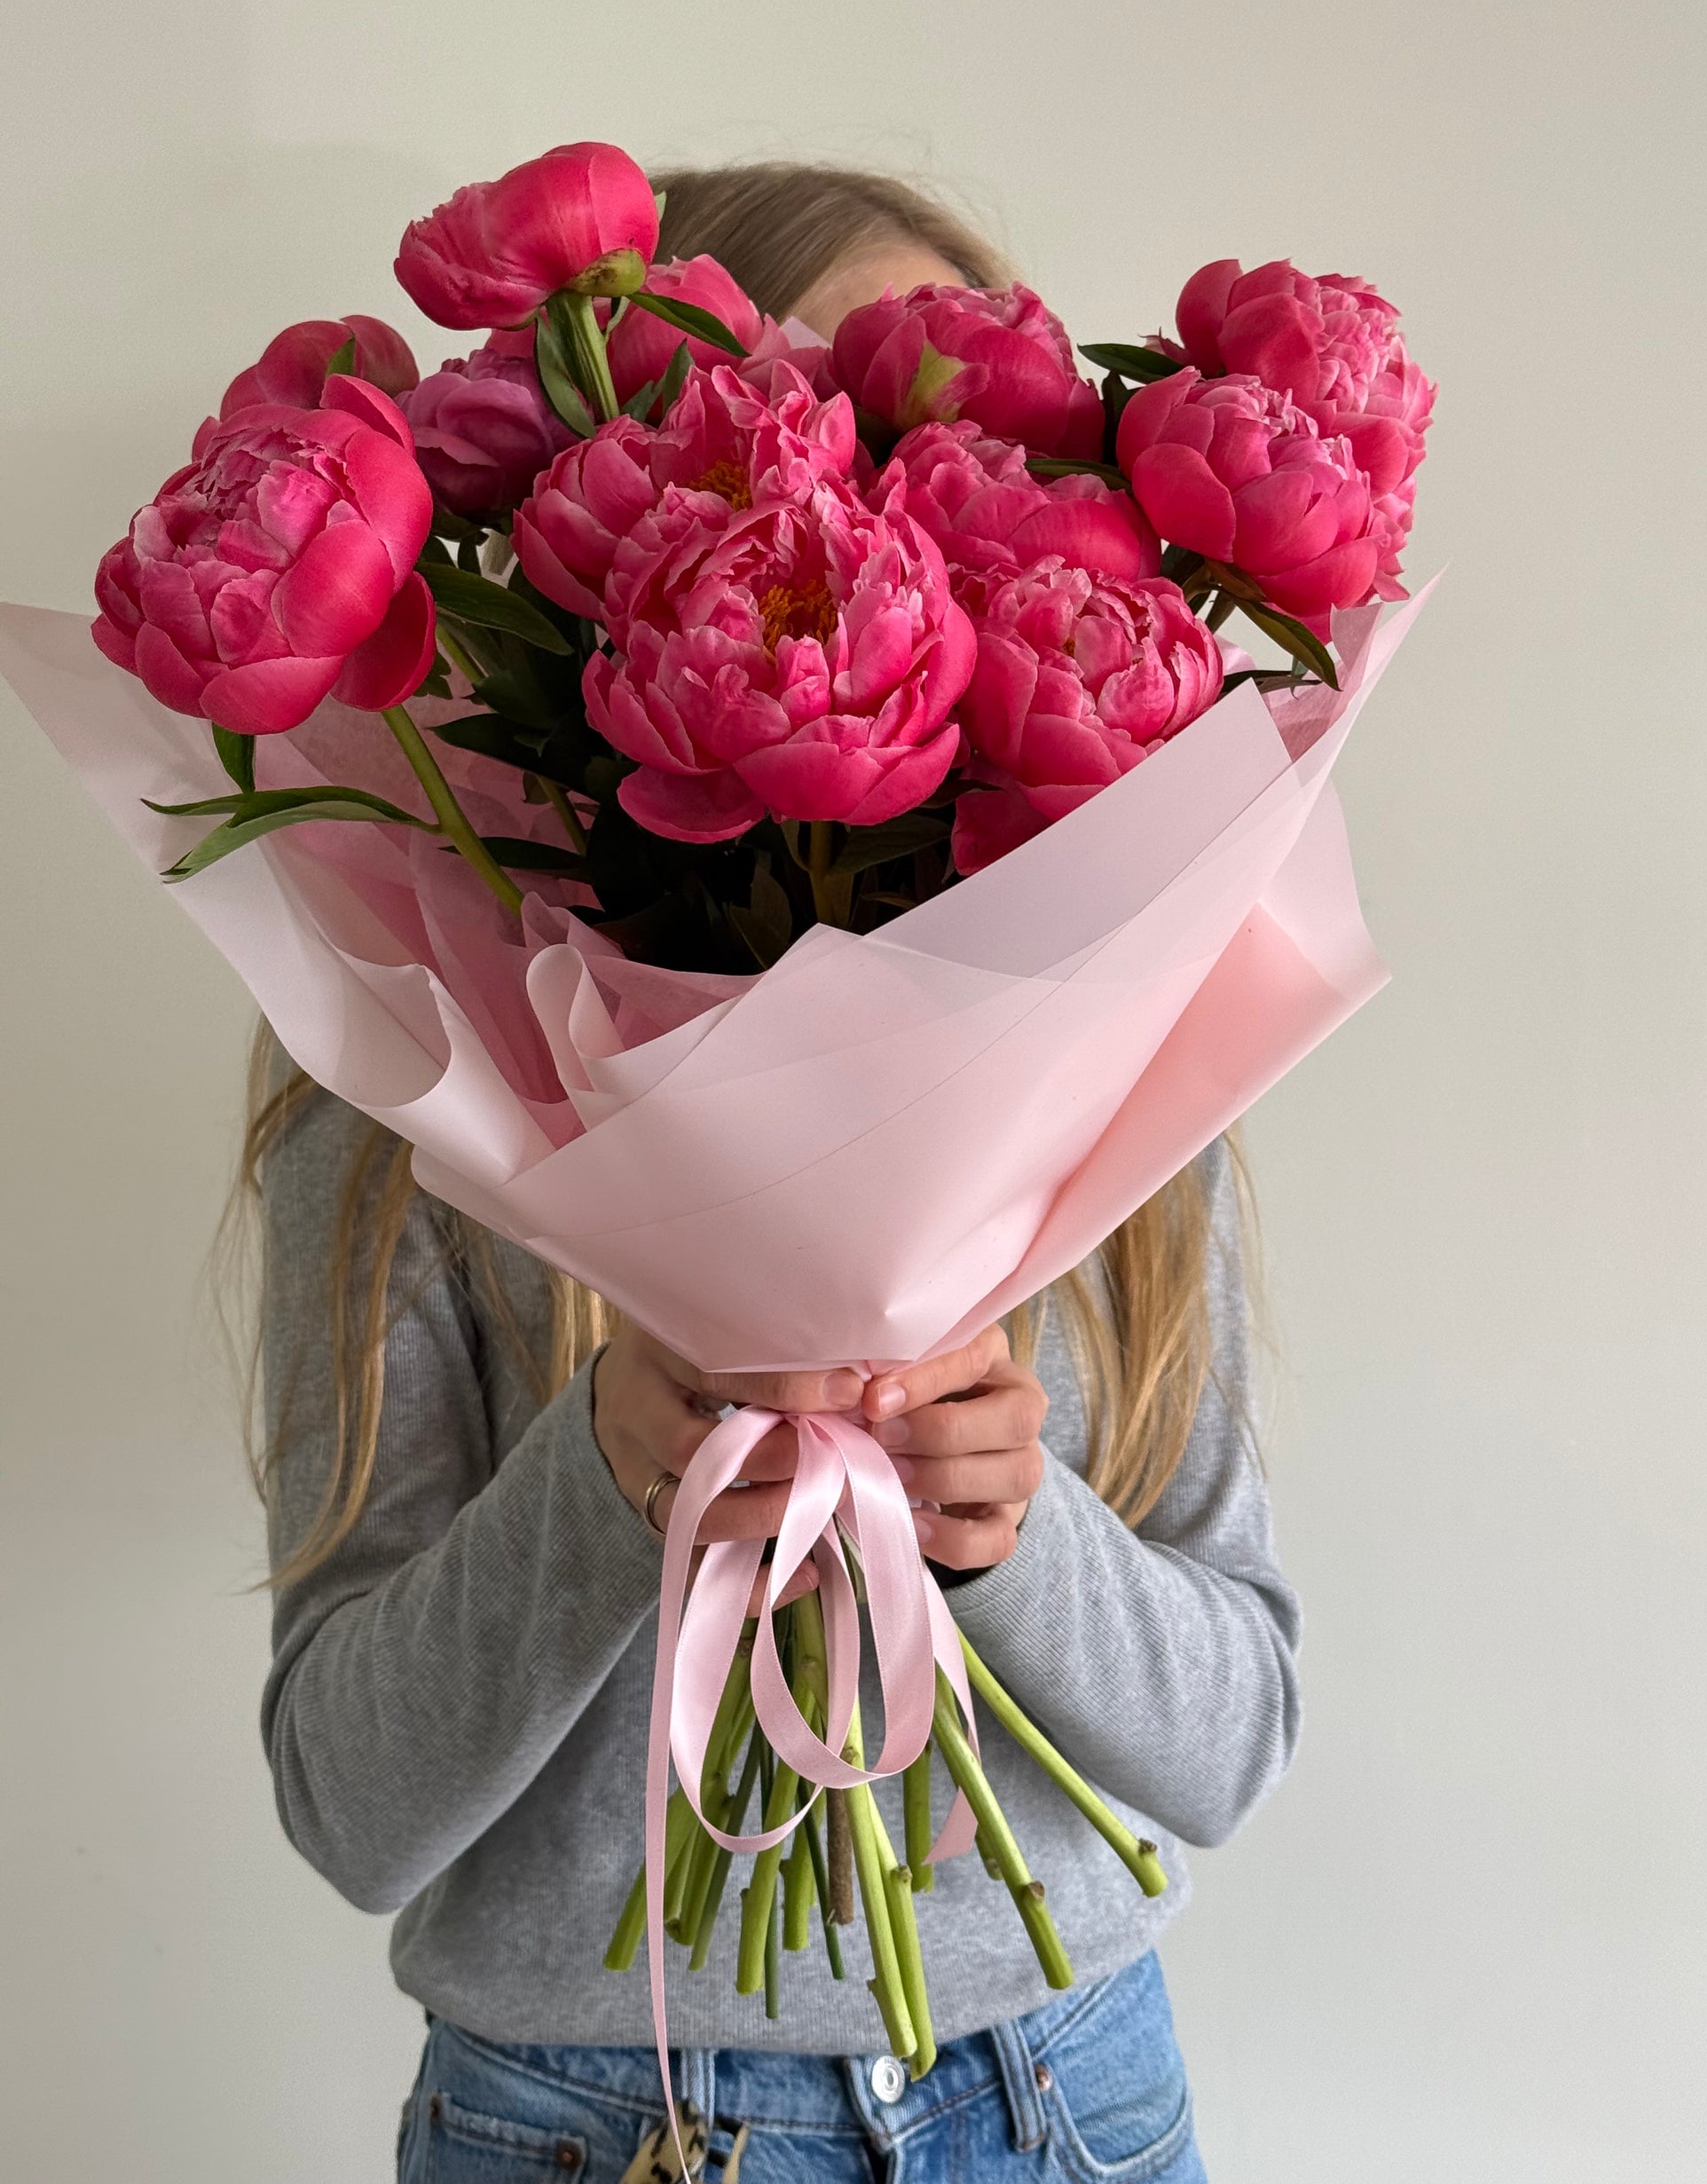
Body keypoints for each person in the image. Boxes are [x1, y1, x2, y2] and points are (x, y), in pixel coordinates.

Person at [248, 163, 1301, 2184]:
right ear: (614, 523)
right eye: (809, 434)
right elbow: (348, 1802)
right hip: (587, 2121)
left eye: (956, 457)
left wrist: (1017, 1532)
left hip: (1064, 2091)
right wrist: (608, 1467)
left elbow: (1232, 1728)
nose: (868, 528)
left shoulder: (1134, 1052)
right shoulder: (411, 1070)